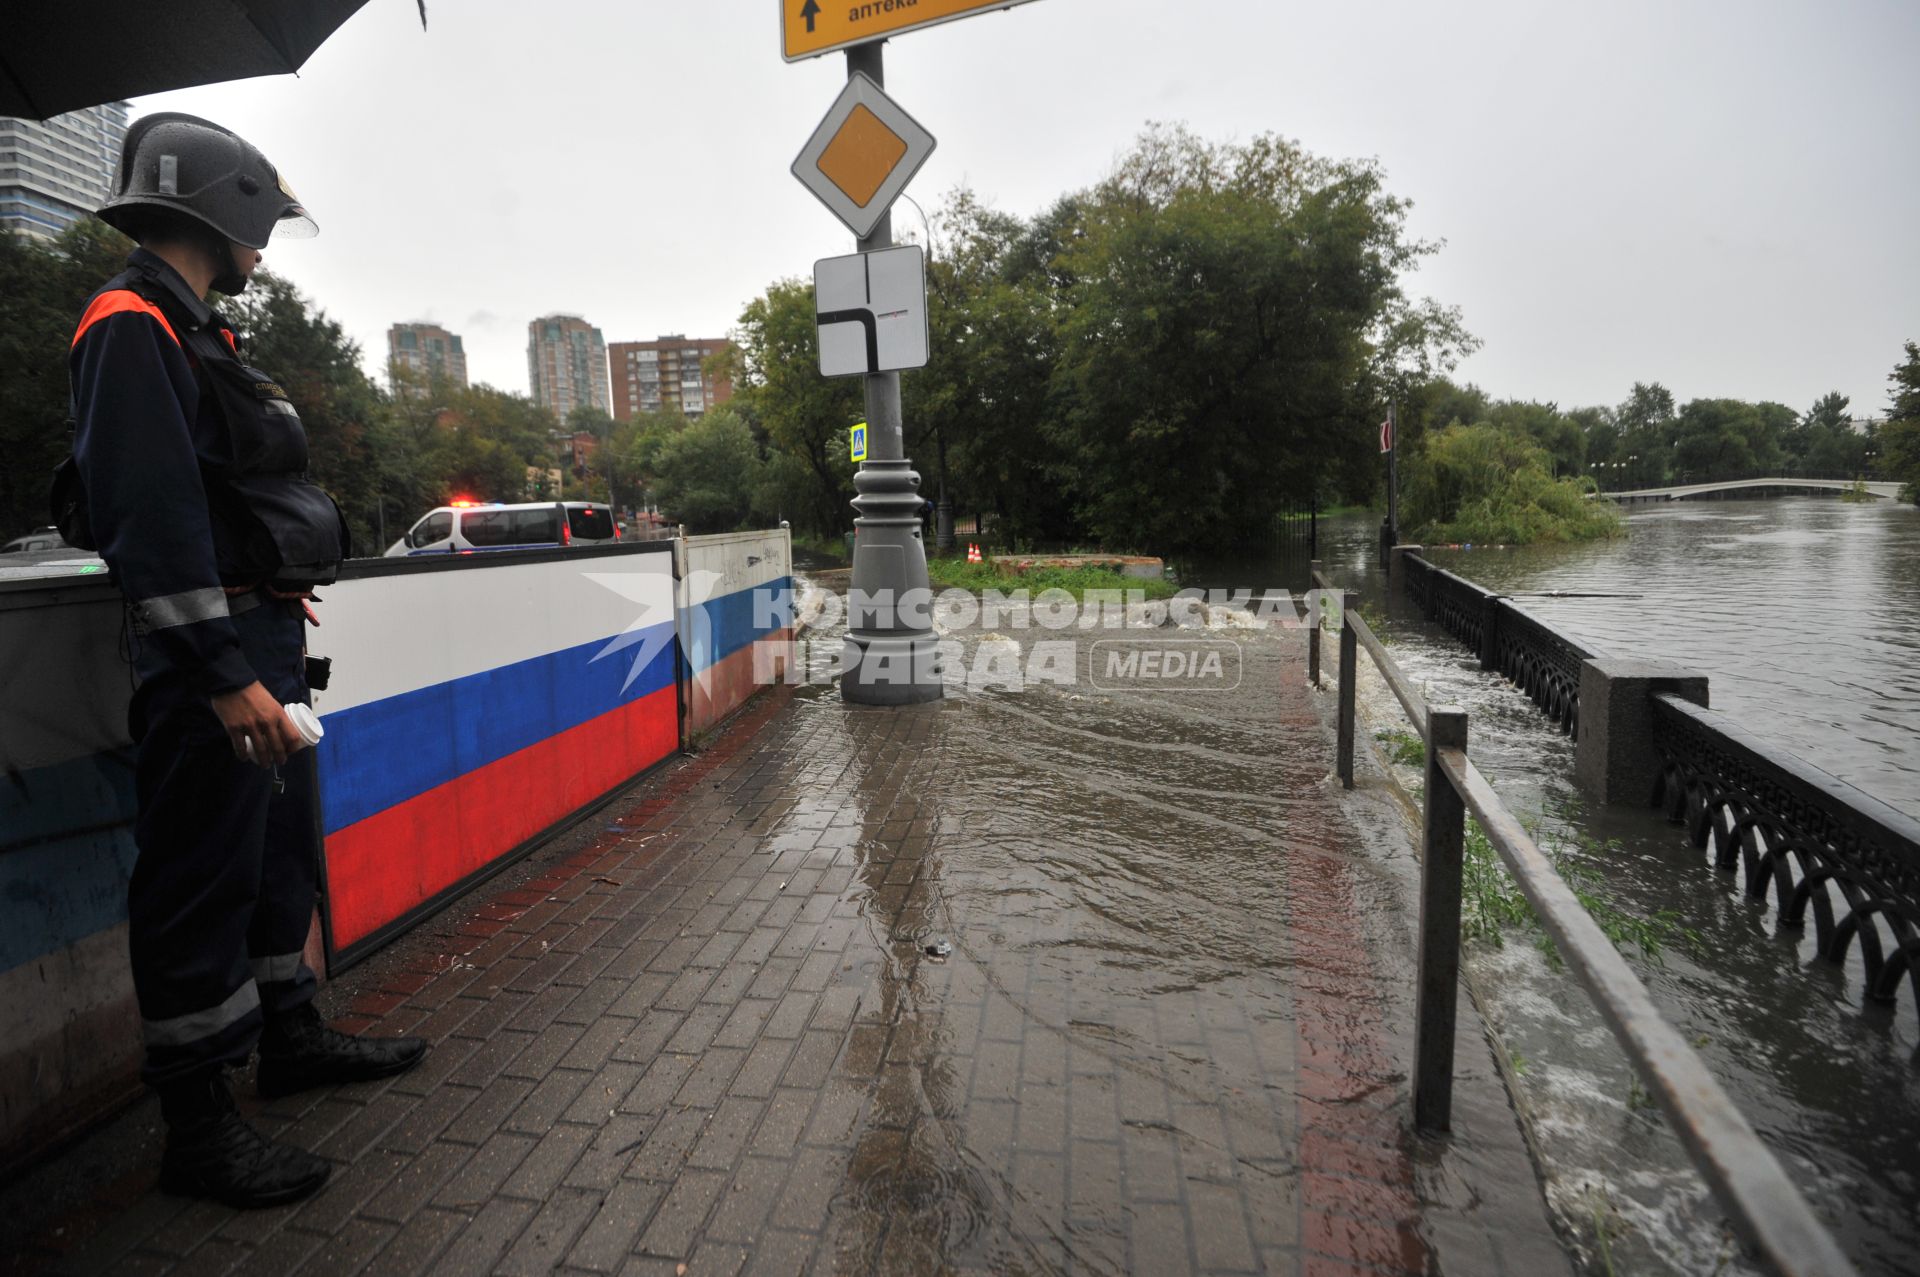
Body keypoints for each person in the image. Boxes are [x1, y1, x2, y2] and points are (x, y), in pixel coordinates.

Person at [71, 113, 425, 1209]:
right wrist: (223, 675)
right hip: (207, 655)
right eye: (259, 220)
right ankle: (198, 1124)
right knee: (197, 880)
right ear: (218, 207)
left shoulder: (196, 330)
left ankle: (292, 1033)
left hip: (257, 637)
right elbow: (151, 516)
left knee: (274, 857)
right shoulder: (130, 324)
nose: (265, 243)